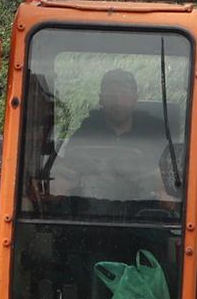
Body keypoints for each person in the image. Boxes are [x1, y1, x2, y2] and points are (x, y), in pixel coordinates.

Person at [50, 69, 180, 206]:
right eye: (111, 94)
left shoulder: (157, 135)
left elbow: (173, 174)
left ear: (135, 99)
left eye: (124, 94)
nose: (118, 101)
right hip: (90, 207)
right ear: (101, 99)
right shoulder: (84, 135)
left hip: (146, 206)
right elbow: (66, 173)